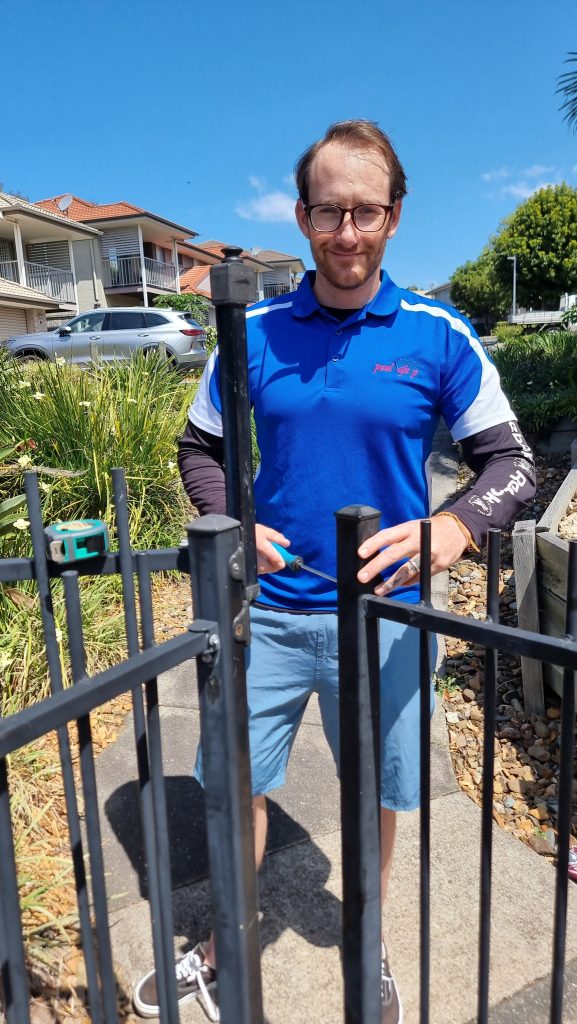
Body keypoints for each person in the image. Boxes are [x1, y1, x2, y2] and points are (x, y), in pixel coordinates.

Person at [133, 119, 536, 1023]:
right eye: (328, 211)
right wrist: (229, 527)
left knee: (376, 796)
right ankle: (222, 942)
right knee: (235, 787)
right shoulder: (256, 331)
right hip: (268, 612)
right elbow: (199, 446)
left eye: (364, 211)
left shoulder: (437, 335)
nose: (345, 233)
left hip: (387, 620)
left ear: (394, 216)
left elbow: (510, 460)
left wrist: (454, 527)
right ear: (301, 215)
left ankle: (367, 935)